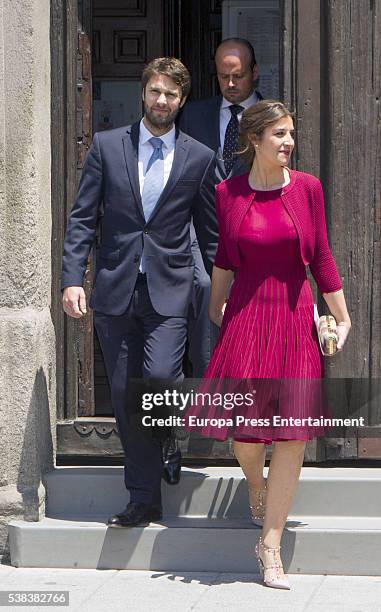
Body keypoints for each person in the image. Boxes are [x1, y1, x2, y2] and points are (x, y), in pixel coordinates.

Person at [186, 100, 351, 589]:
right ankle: (255, 484)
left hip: (297, 314)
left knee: (292, 433)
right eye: (279, 134)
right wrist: (217, 308)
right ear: (254, 139)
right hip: (247, 315)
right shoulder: (227, 192)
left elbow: (320, 255)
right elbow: (224, 256)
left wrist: (340, 316)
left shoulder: (307, 189)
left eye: (291, 134)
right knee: (247, 435)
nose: (289, 142)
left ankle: (270, 545)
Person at [61, 57, 218, 528]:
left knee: (162, 379)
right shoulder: (108, 147)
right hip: (115, 288)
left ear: (182, 100)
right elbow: (83, 217)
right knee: (129, 396)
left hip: (170, 289)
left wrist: (220, 288)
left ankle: (169, 433)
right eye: (155, 92)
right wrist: (73, 277)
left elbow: (210, 233)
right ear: (143, 93)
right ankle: (143, 498)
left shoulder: (199, 157)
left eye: (171, 94)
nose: (162, 101)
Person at [179, 38, 263, 377]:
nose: (230, 84)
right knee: (204, 313)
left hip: (256, 241)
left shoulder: (272, 116)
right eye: (222, 76)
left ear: (254, 73)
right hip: (202, 239)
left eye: (238, 76)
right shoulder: (194, 115)